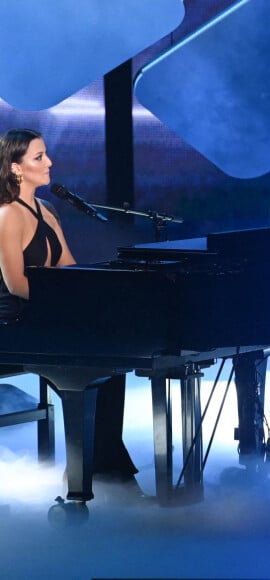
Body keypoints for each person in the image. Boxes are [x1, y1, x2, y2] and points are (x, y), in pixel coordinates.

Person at [0, 128, 139, 493]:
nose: (50, 163)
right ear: (15, 168)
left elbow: (68, 268)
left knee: (113, 352)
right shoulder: (6, 215)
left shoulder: (46, 209)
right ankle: (96, 476)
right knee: (90, 355)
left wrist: (98, 295)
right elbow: (15, 284)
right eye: (39, 157)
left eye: (46, 155)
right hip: (11, 320)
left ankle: (103, 469)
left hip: (41, 314)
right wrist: (65, 308)